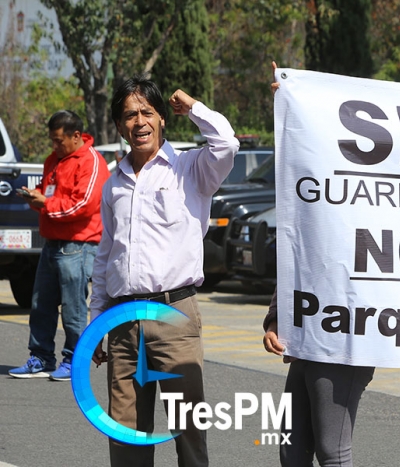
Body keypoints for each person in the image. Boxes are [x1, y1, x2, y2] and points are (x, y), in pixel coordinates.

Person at [89, 75, 239, 467]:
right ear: (120, 127)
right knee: (125, 435)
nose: (139, 121)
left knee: (188, 433)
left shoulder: (191, 168)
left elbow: (227, 143)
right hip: (121, 322)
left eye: (147, 112)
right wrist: (95, 322)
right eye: (129, 115)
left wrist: (193, 108)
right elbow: (107, 253)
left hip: (174, 316)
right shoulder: (113, 183)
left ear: (161, 119)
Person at [263, 62, 375, 467]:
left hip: (346, 339)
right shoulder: (310, 193)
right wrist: (277, 319)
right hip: (310, 335)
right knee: (291, 451)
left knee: (333, 449)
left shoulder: (378, 196)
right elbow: (295, 258)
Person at [9, 110, 110, 381]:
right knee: (40, 303)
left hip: (78, 245)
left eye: (59, 141)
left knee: (73, 307)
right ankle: (41, 357)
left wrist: (46, 204)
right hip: (52, 243)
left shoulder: (91, 162)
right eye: (52, 141)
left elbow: (84, 205)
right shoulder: (52, 161)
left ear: (76, 136)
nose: (54, 146)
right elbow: (47, 191)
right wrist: (35, 198)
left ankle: (73, 360)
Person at [263, 290, 375, 467]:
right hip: (306, 343)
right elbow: (290, 269)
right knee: (292, 452)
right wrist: (275, 320)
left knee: (332, 454)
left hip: (344, 345)